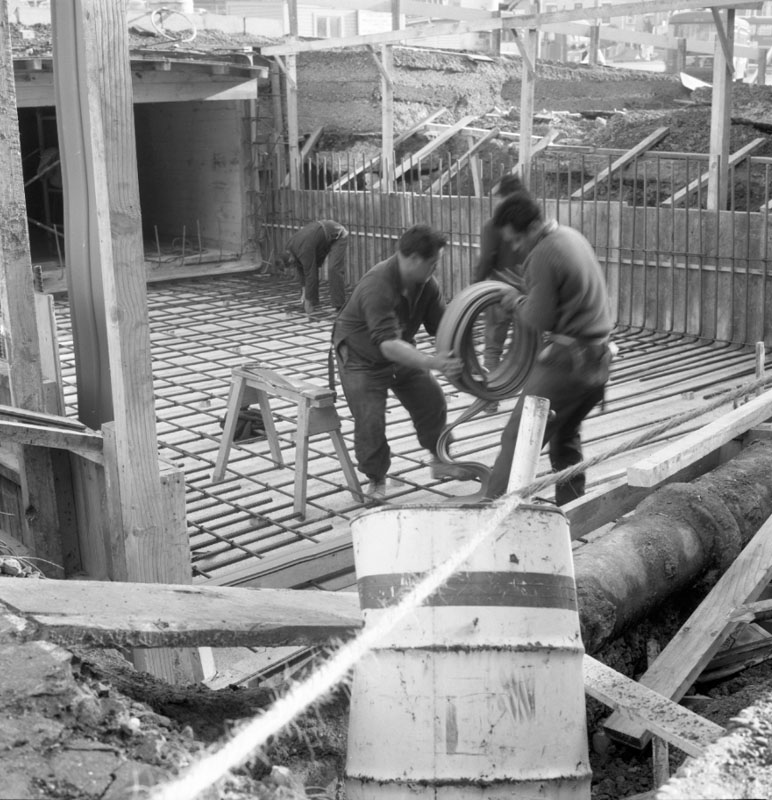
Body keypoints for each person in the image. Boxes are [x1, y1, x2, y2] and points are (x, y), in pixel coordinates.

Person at [484, 189, 613, 505]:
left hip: (567, 364)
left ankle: (492, 516)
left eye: (515, 240)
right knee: (564, 438)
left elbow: (537, 318)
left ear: (530, 229)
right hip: (598, 361)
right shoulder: (569, 236)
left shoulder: (543, 253)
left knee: (517, 438)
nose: (515, 248)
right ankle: (571, 508)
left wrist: (515, 301)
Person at [332, 224, 476, 499]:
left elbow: (443, 328)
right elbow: (387, 345)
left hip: (400, 350)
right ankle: (376, 479)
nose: (435, 269)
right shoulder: (377, 285)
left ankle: (440, 459)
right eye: (432, 263)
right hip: (361, 357)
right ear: (412, 259)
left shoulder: (427, 285)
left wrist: (465, 353)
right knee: (371, 419)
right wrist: (434, 362)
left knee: (432, 400)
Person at [472, 173, 529, 414]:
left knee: (493, 346)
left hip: (498, 291)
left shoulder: (493, 224)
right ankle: (529, 399)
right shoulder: (533, 222)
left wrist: (474, 287)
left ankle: (490, 398)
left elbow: (486, 259)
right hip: (528, 292)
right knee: (527, 346)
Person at [276, 219, 348, 314]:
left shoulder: (303, 250)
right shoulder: (291, 247)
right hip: (322, 235)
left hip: (338, 235)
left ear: (290, 258)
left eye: (291, 265)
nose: (292, 267)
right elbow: (301, 271)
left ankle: (340, 305)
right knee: (309, 273)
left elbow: (311, 275)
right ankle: (313, 303)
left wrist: (308, 300)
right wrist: (304, 293)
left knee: (333, 269)